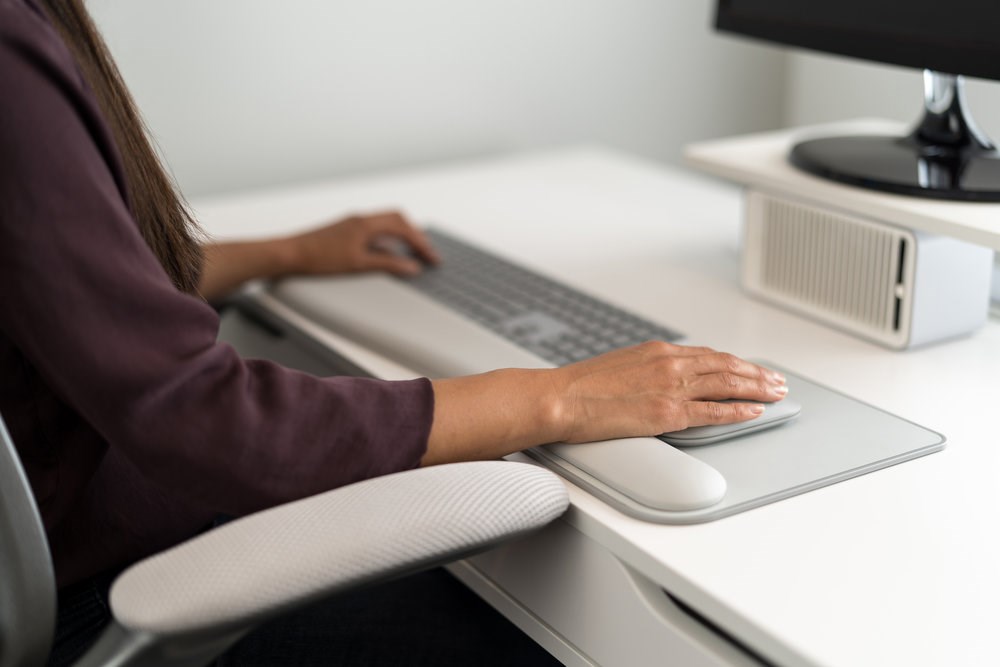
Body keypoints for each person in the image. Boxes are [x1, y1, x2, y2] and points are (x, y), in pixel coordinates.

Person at [0, 0, 789, 665]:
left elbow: (70, 282)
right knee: (543, 621)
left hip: (86, 532)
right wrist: (559, 395)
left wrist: (289, 252)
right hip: (97, 593)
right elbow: (209, 419)